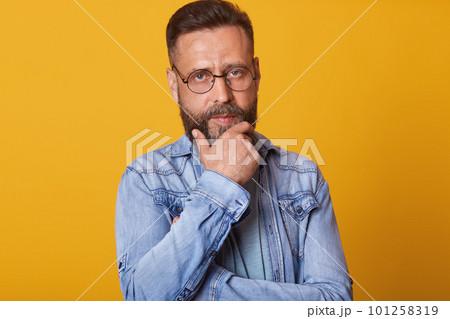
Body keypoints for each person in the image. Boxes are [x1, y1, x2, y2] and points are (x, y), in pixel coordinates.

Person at [115, 0, 353, 301]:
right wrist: (221, 185)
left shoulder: (303, 178)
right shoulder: (146, 180)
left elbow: (335, 304)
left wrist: (202, 287)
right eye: (200, 76)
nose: (222, 94)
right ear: (175, 84)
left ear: (255, 73)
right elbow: (142, 302)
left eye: (235, 72)